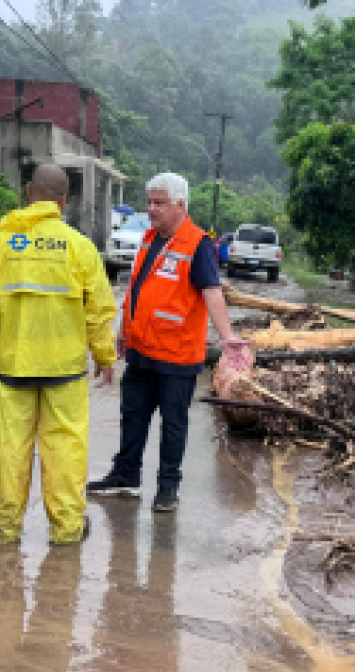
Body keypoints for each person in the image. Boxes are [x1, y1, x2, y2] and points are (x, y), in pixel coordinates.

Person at [0, 164, 117, 545]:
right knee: (65, 448)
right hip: (64, 370)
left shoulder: (0, 242)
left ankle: (5, 527)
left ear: (29, 191)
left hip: (15, 365)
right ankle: (66, 530)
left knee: (13, 448)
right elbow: (99, 308)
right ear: (64, 200)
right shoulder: (79, 246)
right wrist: (104, 355)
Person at [87, 172, 249, 512]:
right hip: (141, 351)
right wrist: (122, 330)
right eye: (149, 202)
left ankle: (167, 488)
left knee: (173, 425)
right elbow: (137, 288)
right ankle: (126, 476)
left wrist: (228, 337)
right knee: (132, 417)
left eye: (159, 203)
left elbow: (212, 293)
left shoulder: (198, 244)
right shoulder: (148, 239)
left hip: (177, 358)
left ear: (180, 205)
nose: (151, 209)